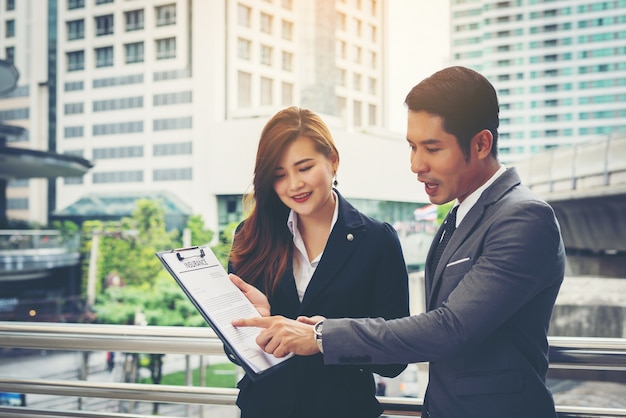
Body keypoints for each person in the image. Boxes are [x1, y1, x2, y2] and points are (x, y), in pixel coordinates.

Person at [231, 67, 566, 418]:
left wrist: (320, 335)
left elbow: (450, 327)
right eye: (412, 147)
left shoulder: (524, 217)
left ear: (481, 143)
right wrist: (252, 325)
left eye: (431, 148)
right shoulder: (457, 218)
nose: (415, 164)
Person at [227, 106, 410, 418]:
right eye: (279, 174)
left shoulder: (378, 241)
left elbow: (394, 359)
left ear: (333, 160)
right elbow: (234, 352)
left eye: (304, 167)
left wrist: (325, 338)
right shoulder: (251, 236)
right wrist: (253, 322)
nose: (294, 184)